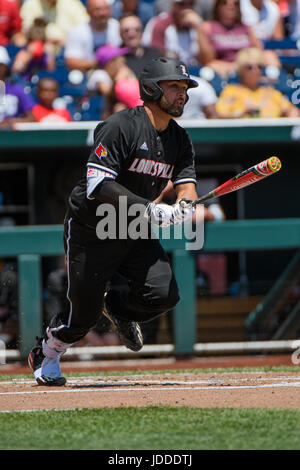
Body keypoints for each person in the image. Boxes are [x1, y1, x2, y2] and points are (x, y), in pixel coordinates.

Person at [28, 56, 199, 386]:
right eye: (175, 87)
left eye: (185, 87)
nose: (183, 94)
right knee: (83, 317)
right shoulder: (120, 126)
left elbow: (186, 183)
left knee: (163, 294)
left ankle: (119, 311)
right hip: (92, 227)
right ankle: (47, 351)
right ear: (151, 89)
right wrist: (149, 210)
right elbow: (97, 184)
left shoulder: (180, 138)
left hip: (132, 228)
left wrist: (184, 206)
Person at [216, 47, 300, 117]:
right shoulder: (230, 91)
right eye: (249, 67)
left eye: (259, 66)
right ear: (241, 70)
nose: (255, 70)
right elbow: (219, 114)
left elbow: (292, 110)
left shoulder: (270, 92)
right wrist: (242, 112)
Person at [198, 0, 264, 77]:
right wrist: (225, 65)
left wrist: (238, 66)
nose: (230, 7)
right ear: (217, 6)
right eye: (224, 3)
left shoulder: (246, 28)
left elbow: (259, 52)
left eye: (235, 4)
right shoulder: (208, 27)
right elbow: (205, 59)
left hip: (245, 71)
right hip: (219, 73)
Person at [64, 0, 122, 72]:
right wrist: (100, 62)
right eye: (97, 9)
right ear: (88, 11)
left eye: (105, 9)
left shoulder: (118, 27)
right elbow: (71, 62)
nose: (102, 13)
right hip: (88, 74)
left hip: (117, 72)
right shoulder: (77, 31)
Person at [87, 44, 142, 118]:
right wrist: (118, 79)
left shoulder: (111, 77)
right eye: (119, 60)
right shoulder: (99, 74)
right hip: (95, 115)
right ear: (110, 63)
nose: (123, 61)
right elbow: (108, 93)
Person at [142, 0, 204, 66]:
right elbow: (156, 57)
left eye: (191, 4)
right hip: (169, 70)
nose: (187, 9)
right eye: (182, 4)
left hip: (193, 71)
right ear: (173, 5)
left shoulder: (197, 23)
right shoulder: (160, 23)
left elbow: (207, 59)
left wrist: (197, 28)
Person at [20, 0, 89, 46]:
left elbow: (86, 27)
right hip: (42, 51)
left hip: (71, 49)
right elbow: (28, 32)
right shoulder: (30, 4)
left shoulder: (72, 3)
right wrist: (55, 40)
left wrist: (69, 41)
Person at [0, 46, 35, 128]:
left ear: (6, 67)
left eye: (1, 65)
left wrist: (11, 122)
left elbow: (32, 118)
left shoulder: (16, 89)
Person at [119, 13, 162, 79]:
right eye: (126, 31)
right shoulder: (116, 58)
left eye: (136, 29)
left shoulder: (156, 55)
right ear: (120, 34)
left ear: (142, 32)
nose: (131, 34)